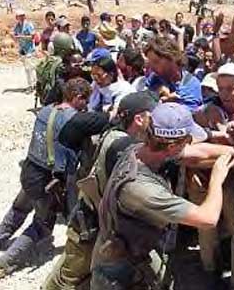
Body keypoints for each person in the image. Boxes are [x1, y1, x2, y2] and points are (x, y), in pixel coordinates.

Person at [90, 102, 234, 290]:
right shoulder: (140, 189)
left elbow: (192, 153)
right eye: (187, 139)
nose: (190, 143)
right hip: (119, 274)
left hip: (132, 256)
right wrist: (216, 179)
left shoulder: (139, 150)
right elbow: (207, 219)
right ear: (172, 145)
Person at [0, 77, 110, 283]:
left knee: (19, 208)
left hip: (29, 170)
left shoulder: (45, 110)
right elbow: (106, 120)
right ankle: (3, 264)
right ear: (77, 98)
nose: (86, 106)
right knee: (41, 226)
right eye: (84, 101)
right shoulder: (74, 121)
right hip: (47, 182)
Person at [41, 91, 158, 290]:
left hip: (97, 223)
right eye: (154, 117)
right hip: (90, 227)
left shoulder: (112, 132)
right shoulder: (124, 144)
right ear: (139, 119)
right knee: (68, 279)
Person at [145, 37, 203, 112]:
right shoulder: (154, 78)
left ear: (172, 58)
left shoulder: (191, 85)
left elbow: (188, 117)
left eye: (156, 62)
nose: (152, 68)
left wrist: (170, 103)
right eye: (150, 63)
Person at [13, 9, 37, 91]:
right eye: (20, 16)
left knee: (31, 68)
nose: (21, 17)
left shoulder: (29, 25)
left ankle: (33, 85)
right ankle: (31, 85)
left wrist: (21, 37)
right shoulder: (17, 26)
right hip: (23, 50)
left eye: (22, 15)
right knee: (27, 69)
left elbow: (33, 36)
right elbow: (15, 36)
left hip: (30, 49)